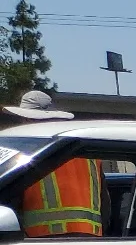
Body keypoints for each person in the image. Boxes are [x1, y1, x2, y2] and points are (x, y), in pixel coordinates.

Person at [2, 90, 104, 236]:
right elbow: (106, 206)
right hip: (91, 240)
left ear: (28, 120)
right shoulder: (89, 153)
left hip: (42, 242)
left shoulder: (27, 155)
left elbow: (9, 204)